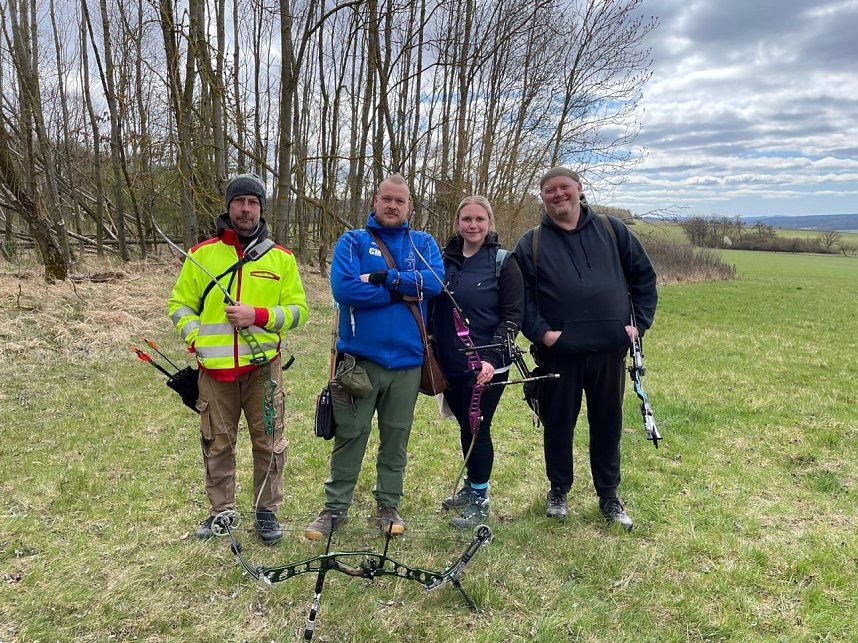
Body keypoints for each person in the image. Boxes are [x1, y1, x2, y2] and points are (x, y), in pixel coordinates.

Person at [513, 167, 657, 530]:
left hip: (609, 352)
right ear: (542, 197)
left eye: (564, 188)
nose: (558, 195)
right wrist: (543, 334)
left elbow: (644, 278)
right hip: (558, 355)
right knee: (558, 424)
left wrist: (637, 325)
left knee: (607, 424)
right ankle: (558, 489)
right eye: (549, 191)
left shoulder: (613, 230)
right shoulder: (530, 243)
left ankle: (609, 495)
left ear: (579, 188)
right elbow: (520, 300)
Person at [168, 173, 309, 544]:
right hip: (214, 373)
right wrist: (195, 336)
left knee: (269, 441)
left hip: (264, 369)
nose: (245, 209)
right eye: (239, 202)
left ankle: (266, 512)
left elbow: (298, 311)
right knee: (217, 441)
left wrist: (258, 315)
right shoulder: (202, 255)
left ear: (261, 209)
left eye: (253, 203)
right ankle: (222, 512)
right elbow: (179, 304)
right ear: (228, 207)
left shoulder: (281, 259)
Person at [304, 174, 444, 540]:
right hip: (359, 364)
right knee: (351, 435)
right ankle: (334, 509)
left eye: (400, 201)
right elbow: (346, 289)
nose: (393, 206)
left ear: (410, 206)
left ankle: (387, 505)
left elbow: (433, 284)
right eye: (387, 199)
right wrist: (403, 289)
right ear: (374, 201)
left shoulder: (425, 244)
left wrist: (384, 279)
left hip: (409, 365)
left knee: (396, 438)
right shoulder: (352, 242)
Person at [431, 196, 524, 528]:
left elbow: (513, 317)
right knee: (465, 426)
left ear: (490, 223)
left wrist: (490, 358)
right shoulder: (443, 261)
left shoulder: (503, 261)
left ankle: (480, 498)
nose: (472, 225)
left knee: (478, 427)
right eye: (466, 219)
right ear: (457, 222)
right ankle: (471, 487)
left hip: (486, 367)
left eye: (479, 220)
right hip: (450, 363)